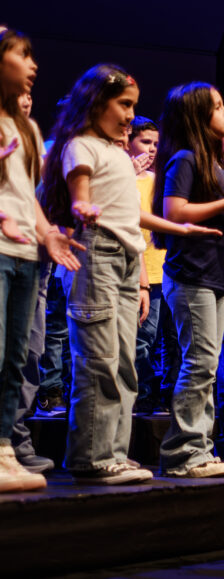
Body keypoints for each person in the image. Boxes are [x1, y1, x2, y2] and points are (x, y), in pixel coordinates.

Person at [153, 82, 224, 478]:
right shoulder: (185, 159)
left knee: (208, 366)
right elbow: (175, 210)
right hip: (191, 276)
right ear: (199, 118)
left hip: (216, 277)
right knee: (199, 364)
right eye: (218, 107)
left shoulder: (219, 167)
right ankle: (182, 453)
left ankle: (198, 448)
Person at [0, 28, 84, 492]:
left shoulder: (29, 129)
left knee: (17, 356)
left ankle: (5, 449)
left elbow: (25, 196)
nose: (34, 66)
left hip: (26, 253)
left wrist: (47, 233)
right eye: (23, 55)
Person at [127, 116, 165, 413]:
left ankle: (147, 392)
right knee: (140, 337)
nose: (152, 149)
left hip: (162, 269)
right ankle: (139, 394)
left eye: (156, 143)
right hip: (139, 271)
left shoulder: (158, 180)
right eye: (145, 142)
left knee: (154, 339)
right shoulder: (126, 179)